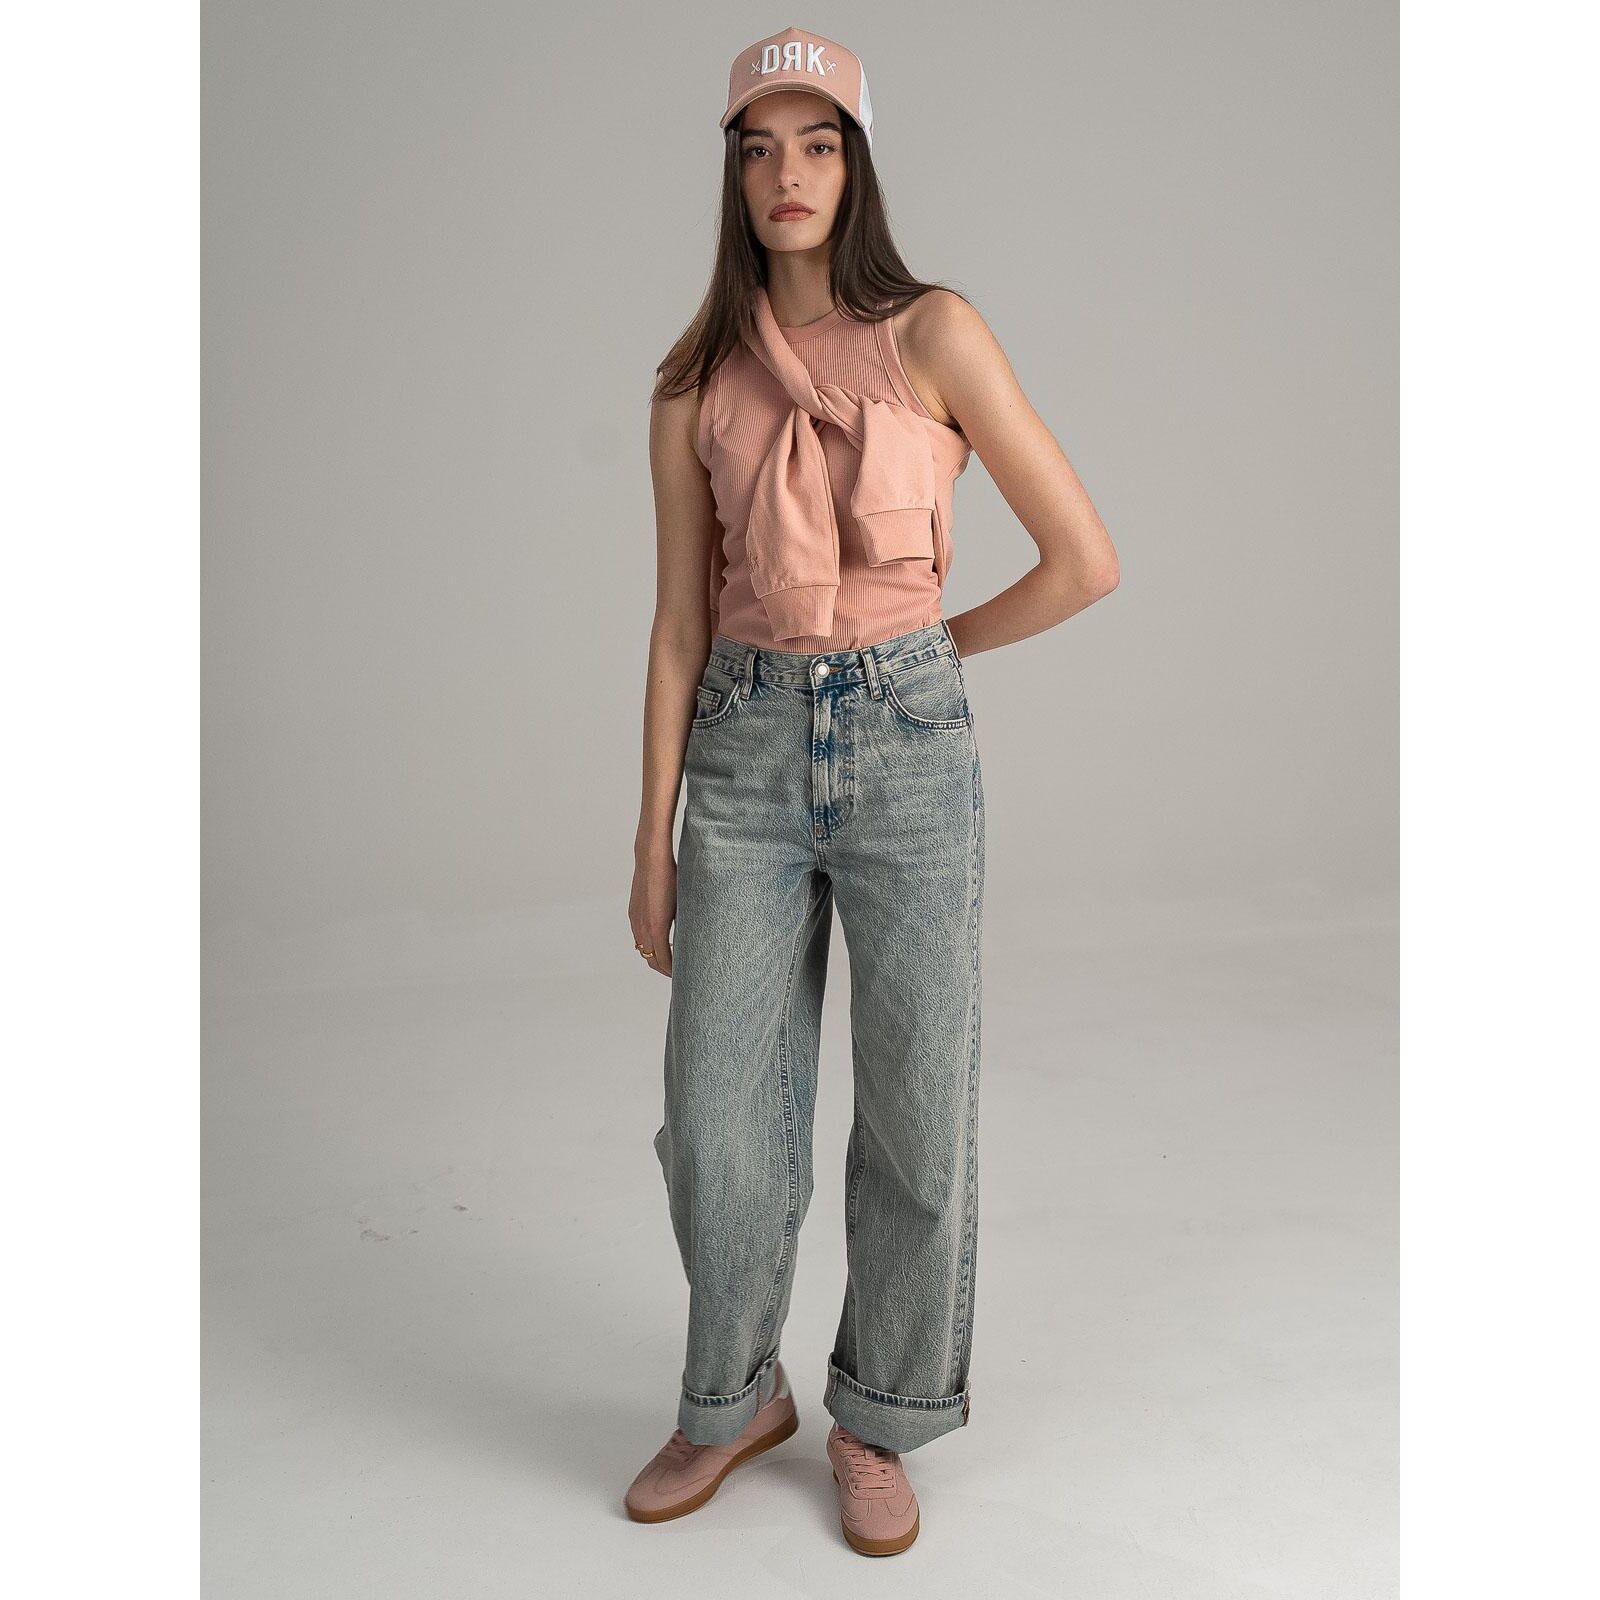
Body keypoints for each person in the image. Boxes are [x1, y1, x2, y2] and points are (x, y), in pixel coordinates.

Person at [624, 26, 1119, 1556]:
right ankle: (732, 1398)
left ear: (857, 163)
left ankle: (879, 1417)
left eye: (820, 141)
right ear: (732, 175)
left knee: (917, 1117)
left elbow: (1084, 561)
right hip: (745, 750)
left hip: (906, 749)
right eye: (761, 146)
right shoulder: (693, 385)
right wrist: (649, 840)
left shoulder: (936, 335)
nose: (791, 172)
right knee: (716, 1117)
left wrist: (930, 653)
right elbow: (679, 626)